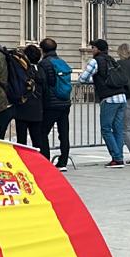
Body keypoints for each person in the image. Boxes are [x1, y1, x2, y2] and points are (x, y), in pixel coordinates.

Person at [80, 39, 130, 168]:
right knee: (118, 129)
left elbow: (83, 78)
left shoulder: (95, 61)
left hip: (109, 98)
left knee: (106, 128)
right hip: (121, 97)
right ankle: (119, 157)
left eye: (93, 47)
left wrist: (94, 81)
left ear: (97, 49)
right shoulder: (112, 60)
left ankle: (117, 158)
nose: (92, 50)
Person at [37, 39, 73, 169]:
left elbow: (45, 84)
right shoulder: (62, 62)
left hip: (51, 104)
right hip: (65, 102)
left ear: (42, 50)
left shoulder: (44, 64)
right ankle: (63, 161)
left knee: (42, 132)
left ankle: (45, 159)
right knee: (64, 133)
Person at [14, 44, 49, 155]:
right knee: (37, 141)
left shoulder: (24, 70)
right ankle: (40, 163)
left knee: (21, 141)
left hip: (22, 109)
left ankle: (22, 162)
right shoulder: (41, 70)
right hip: (37, 110)